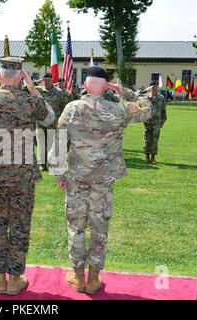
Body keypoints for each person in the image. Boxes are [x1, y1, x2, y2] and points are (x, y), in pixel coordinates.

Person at [48, 66, 153, 295]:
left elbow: (58, 144)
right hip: (103, 180)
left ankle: (77, 277)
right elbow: (148, 108)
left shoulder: (72, 108)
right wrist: (124, 91)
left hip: (77, 178)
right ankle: (93, 278)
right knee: (99, 227)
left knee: (76, 227)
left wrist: (58, 174)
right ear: (105, 86)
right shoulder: (118, 110)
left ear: (85, 85)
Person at [0, 57, 55, 295]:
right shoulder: (30, 100)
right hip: (23, 178)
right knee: (19, 225)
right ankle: (15, 277)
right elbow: (50, 118)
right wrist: (33, 90)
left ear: (0, 76)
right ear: (21, 76)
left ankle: (0, 278)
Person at [32, 73, 68, 171]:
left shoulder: (59, 92)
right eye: (45, 80)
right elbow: (24, 88)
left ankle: (50, 163)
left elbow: (64, 107)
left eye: (48, 80)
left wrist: (61, 120)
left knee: (51, 144)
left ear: (52, 81)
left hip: (53, 123)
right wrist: (37, 81)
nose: (46, 82)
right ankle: (42, 165)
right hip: (40, 122)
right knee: (40, 144)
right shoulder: (38, 90)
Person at [144, 80, 167, 163]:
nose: (155, 89)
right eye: (153, 87)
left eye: (156, 87)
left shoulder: (161, 98)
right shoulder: (146, 98)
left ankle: (153, 157)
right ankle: (147, 156)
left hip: (157, 122)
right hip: (148, 122)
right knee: (147, 139)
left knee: (155, 140)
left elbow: (164, 111)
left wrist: (162, 122)